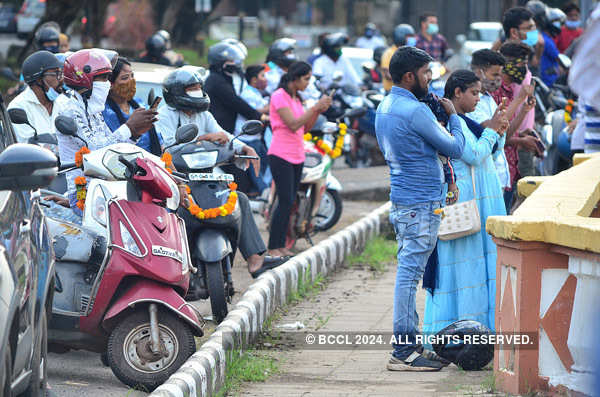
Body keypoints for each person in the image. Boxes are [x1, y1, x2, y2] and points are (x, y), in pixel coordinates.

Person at [375, 46, 465, 371]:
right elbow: (455, 147)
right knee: (409, 274)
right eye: (427, 73)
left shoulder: (386, 105)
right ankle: (403, 352)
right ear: (410, 75)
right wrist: (454, 116)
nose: (430, 80)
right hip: (421, 202)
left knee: (407, 272)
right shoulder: (415, 110)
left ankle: (408, 346)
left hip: (404, 199)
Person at [153, 66, 287, 281]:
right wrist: (205, 138)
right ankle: (174, 267)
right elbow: (167, 147)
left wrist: (244, 148)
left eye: (199, 87)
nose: (197, 90)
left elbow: (223, 135)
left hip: (205, 174)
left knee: (240, 200)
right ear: (178, 92)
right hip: (176, 176)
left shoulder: (202, 113)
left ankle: (255, 259)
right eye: (191, 88)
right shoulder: (164, 116)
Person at [423, 70, 509, 337]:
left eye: (480, 93)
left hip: (482, 203)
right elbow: (472, 153)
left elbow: (491, 150)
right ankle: (457, 336)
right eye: (474, 93)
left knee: (483, 268)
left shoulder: (466, 120)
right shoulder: (448, 123)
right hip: (466, 205)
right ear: (457, 92)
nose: (478, 98)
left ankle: (483, 334)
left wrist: (498, 129)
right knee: (465, 270)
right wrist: (492, 130)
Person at [52, 49, 157, 216]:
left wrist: (135, 134)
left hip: (107, 188)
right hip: (84, 194)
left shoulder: (93, 108)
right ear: (85, 78)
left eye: (108, 78)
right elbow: (94, 151)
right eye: (103, 78)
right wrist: (129, 127)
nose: (107, 83)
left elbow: (111, 146)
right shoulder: (69, 109)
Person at [267, 61, 332, 257]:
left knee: (290, 201)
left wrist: (318, 110)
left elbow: (305, 128)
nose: (307, 83)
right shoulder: (279, 96)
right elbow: (293, 124)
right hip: (281, 154)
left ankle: (281, 245)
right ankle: (273, 246)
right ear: (294, 78)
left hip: (297, 155)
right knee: (285, 200)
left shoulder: (297, 99)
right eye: (305, 79)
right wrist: (314, 108)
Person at [468, 49, 534, 213]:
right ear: (479, 72)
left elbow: (504, 132)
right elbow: (493, 129)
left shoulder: (489, 98)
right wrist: (518, 100)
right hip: (487, 179)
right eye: (494, 75)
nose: (498, 79)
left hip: (500, 176)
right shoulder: (473, 103)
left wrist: (524, 110)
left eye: (500, 75)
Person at [492, 42, 541, 211]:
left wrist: (524, 111)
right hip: (497, 170)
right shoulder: (496, 92)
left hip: (510, 169)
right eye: (520, 64)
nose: (523, 69)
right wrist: (519, 100)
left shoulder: (511, 90)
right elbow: (498, 134)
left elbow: (508, 130)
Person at [102, 57, 163, 156]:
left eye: (132, 76)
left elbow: (159, 143)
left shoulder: (139, 104)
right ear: (111, 84)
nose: (131, 81)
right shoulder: (104, 112)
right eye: (125, 78)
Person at [203, 42, 268, 134]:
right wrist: (260, 116)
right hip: (220, 131)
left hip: (229, 129)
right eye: (231, 60)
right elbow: (235, 102)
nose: (235, 63)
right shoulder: (216, 80)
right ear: (221, 62)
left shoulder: (228, 76)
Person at [8, 51, 64, 143]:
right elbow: (28, 146)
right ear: (38, 79)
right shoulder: (19, 107)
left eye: (61, 73)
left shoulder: (63, 103)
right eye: (56, 74)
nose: (61, 79)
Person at [234, 64, 272, 195]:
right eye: (262, 75)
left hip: (256, 137)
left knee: (264, 162)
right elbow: (255, 111)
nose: (265, 79)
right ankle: (264, 192)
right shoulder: (247, 94)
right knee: (255, 167)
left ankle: (257, 190)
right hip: (247, 138)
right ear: (254, 79)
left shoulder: (257, 93)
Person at [381, 24, 416, 92]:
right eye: (409, 36)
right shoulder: (389, 53)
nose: (412, 39)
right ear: (400, 37)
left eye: (412, 37)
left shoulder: (411, 52)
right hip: (392, 92)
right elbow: (388, 75)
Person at [539, 8, 565, 87]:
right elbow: (560, 59)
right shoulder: (547, 41)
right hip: (548, 83)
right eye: (557, 22)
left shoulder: (545, 38)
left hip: (548, 81)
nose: (559, 26)